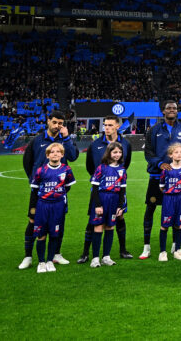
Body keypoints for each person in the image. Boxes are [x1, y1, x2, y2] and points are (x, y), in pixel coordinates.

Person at [20, 111, 78, 270]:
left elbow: (73, 157)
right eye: (55, 122)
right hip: (39, 190)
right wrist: (34, 181)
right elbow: (27, 162)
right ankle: (28, 256)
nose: (57, 125)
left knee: (58, 221)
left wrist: (67, 138)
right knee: (32, 221)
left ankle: (56, 254)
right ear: (48, 121)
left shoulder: (65, 140)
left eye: (60, 123)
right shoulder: (37, 140)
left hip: (59, 191)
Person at [76, 114, 132, 263]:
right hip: (99, 189)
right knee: (94, 219)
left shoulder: (125, 144)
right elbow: (90, 166)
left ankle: (123, 250)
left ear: (117, 126)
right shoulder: (95, 145)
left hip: (117, 189)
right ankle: (86, 253)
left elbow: (125, 165)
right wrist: (101, 181)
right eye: (105, 125)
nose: (106, 128)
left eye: (109, 125)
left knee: (119, 216)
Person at [140, 101, 181, 260]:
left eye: (174, 108)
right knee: (150, 209)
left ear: (177, 111)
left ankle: (176, 247)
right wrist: (159, 163)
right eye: (168, 108)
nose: (171, 110)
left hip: (177, 178)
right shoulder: (154, 130)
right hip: (157, 177)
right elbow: (148, 152)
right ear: (163, 111)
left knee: (177, 212)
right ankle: (146, 247)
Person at [30, 142, 76, 273]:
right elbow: (35, 189)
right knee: (41, 234)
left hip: (58, 206)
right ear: (47, 155)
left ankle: (50, 261)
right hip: (43, 205)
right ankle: (41, 262)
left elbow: (68, 186)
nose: (55, 154)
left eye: (57, 152)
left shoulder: (66, 170)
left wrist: (58, 195)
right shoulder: (41, 170)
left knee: (54, 234)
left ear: (62, 154)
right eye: (52, 152)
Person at [87, 142, 127, 268]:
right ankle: (95, 258)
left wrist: (120, 206)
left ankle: (106, 257)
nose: (117, 154)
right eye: (115, 152)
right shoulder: (101, 168)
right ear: (109, 153)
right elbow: (94, 188)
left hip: (114, 201)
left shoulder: (122, 170)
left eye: (119, 152)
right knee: (98, 227)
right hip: (102, 198)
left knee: (110, 227)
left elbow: (122, 190)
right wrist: (98, 205)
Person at [158, 143, 181, 262]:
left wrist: (180, 191)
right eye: (176, 152)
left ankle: (177, 250)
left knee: (179, 224)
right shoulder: (166, 170)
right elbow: (162, 187)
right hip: (169, 199)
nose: (179, 154)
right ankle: (162, 252)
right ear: (170, 155)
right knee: (165, 225)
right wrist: (170, 192)